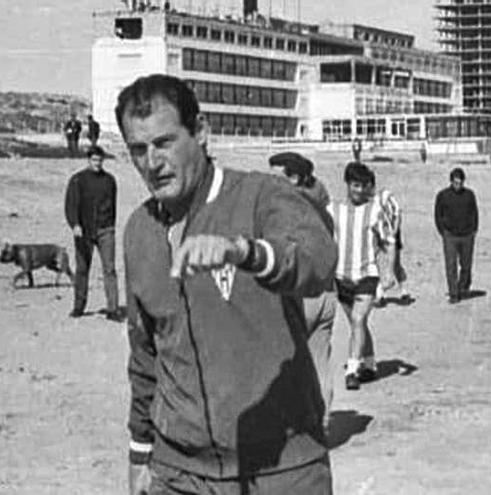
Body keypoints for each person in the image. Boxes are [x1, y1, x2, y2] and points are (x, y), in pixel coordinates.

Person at [117, 74, 335, 494]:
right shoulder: (139, 231)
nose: (152, 162)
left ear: (200, 132)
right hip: (178, 471)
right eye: (138, 150)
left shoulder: (260, 196)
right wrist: (140, 454)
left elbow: (317, 258)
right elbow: (145, 356)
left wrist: (244, 252)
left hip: (282, 469)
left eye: (164, 142)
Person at [268, 151, 336, 428]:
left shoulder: (287, 210)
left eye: (275, 177)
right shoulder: (322, 210)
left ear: (293, 178)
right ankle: (322, 423)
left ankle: (293, 427)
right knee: (321, 361)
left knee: (283, 363)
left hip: (298, 294)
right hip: (327, 293)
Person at [328, 162, 390, 391]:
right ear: (347, 184)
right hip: (341, 276)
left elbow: (389, 241)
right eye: (355, 185)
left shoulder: (374, 210)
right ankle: (371, 364)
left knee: (357, 320)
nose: (359, 191)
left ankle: (352, 370)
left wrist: (389, 272)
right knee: (358, 323)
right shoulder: (333, 210)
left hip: (367, 275)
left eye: (363, 186)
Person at [64, 145, 123, 321]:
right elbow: (70, 205)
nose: (97, 163)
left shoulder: (109, 180)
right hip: (83, 231)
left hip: (105, 230)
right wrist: (74, 224)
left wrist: (111, 225)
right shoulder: (77, 180)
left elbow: (113, 204)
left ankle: (113, 309)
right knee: (82, 269)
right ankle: (79, 307)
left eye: (100, 160)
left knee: (109, 269)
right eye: (94, 160)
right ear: (88, 160)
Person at [434, 167, 479, 304]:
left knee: (466, 265)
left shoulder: (469, 195)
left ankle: (462, 287)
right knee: (450, 265)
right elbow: (437, 214)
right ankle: (454, 293)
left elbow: (474, 213)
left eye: (460, 183)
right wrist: (443, 231)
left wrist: (473, 229)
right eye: (455, 183)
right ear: (451, 181)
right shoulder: (443, 195)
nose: (457, 185)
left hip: (467, 235)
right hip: (450, 235)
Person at [372, 185, 412, 307]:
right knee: (376, 262)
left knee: (394, 263)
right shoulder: (363, 202)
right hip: (377, 234)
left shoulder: (385, 196)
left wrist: (394, 230)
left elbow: (397, 212)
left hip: (390, 232)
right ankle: (380, 294)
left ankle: (402, 288)